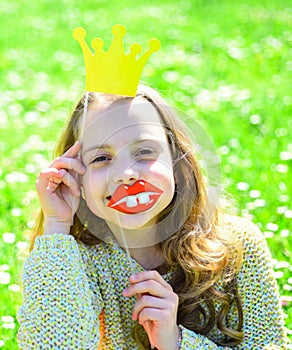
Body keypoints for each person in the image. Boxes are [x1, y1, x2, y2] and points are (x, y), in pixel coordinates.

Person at [16, 84, 287, 349]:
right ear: (77, 178)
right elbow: (51, 344)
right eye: (101, 158)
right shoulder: (69, 260)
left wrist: (176, 343)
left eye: (144, 151)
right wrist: (56, 224)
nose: (126, 173)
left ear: (178, 162)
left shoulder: (238, 245)